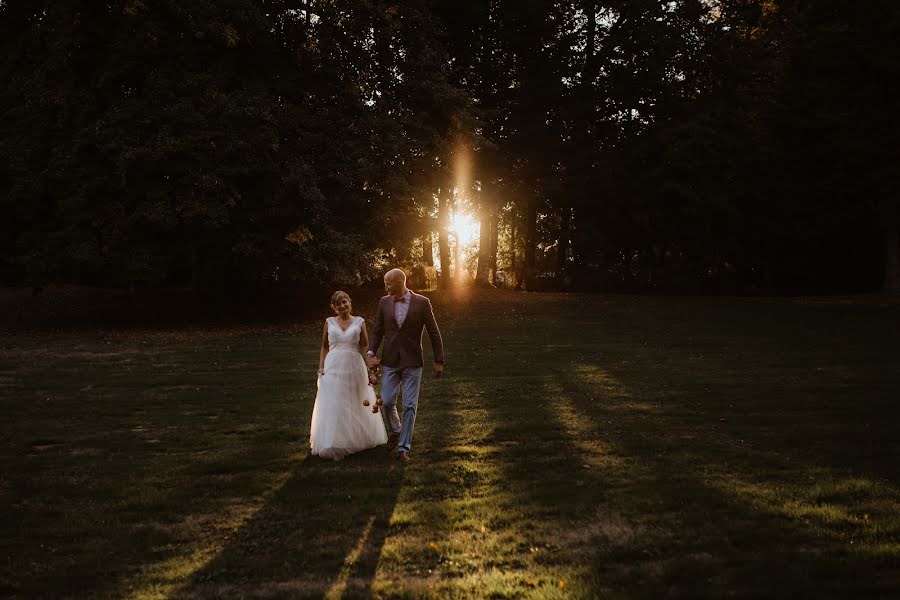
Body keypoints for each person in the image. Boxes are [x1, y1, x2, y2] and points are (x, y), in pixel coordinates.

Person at [367, 268, 444, 463]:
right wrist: (371, 352)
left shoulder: (422, 302)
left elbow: (434, 332)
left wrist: (439, 360)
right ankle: (396, 431)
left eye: (388, 283)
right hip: (390, 360)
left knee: (410, 405)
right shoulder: (384, 302)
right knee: (386, 401)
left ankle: (403, 448)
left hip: (413, 362)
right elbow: (377, 330)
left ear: (400, 281)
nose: (385, 287)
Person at [310, 291, 388, 460]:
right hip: (333, 366)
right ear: (334, 307)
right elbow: (324, 346)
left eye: (344, 302)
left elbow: (365, 345)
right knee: (335, 401)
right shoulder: (329, 322)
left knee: (355, 399)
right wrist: (321, 366)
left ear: (349, 303)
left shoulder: (359, 322)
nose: (342, 306)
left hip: (354, 365)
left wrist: (371, 365)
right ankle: (335, 440)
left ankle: (357, 439)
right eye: (338, 304)